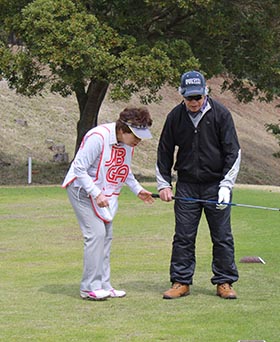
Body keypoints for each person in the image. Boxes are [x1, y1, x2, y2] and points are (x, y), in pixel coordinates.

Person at [156, 70, 241, 300]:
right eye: (189, 98)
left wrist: (226, 185)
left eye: (198, 97)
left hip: (216, 185)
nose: (194, 102)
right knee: (183, 236)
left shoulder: (221, 114)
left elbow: (233, 152)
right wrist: (164, 184)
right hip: (187, 186)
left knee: (222, 236)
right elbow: (164, 151)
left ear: (206, 93)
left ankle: (224, 281)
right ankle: (180, 281)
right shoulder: (175, 116)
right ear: (181, 94)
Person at [63, 107, 155, 300]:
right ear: (123, 130)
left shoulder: (127, 145)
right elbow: (79, 168)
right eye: (136, 136)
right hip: (81, 189)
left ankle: (104, 285)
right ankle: (89, 287)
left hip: (102, 192)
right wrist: (96, 193)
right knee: (96, 235)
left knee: (106, 236)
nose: (138, 141)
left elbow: (123, 170)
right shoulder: (97, 137)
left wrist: (138, 190)